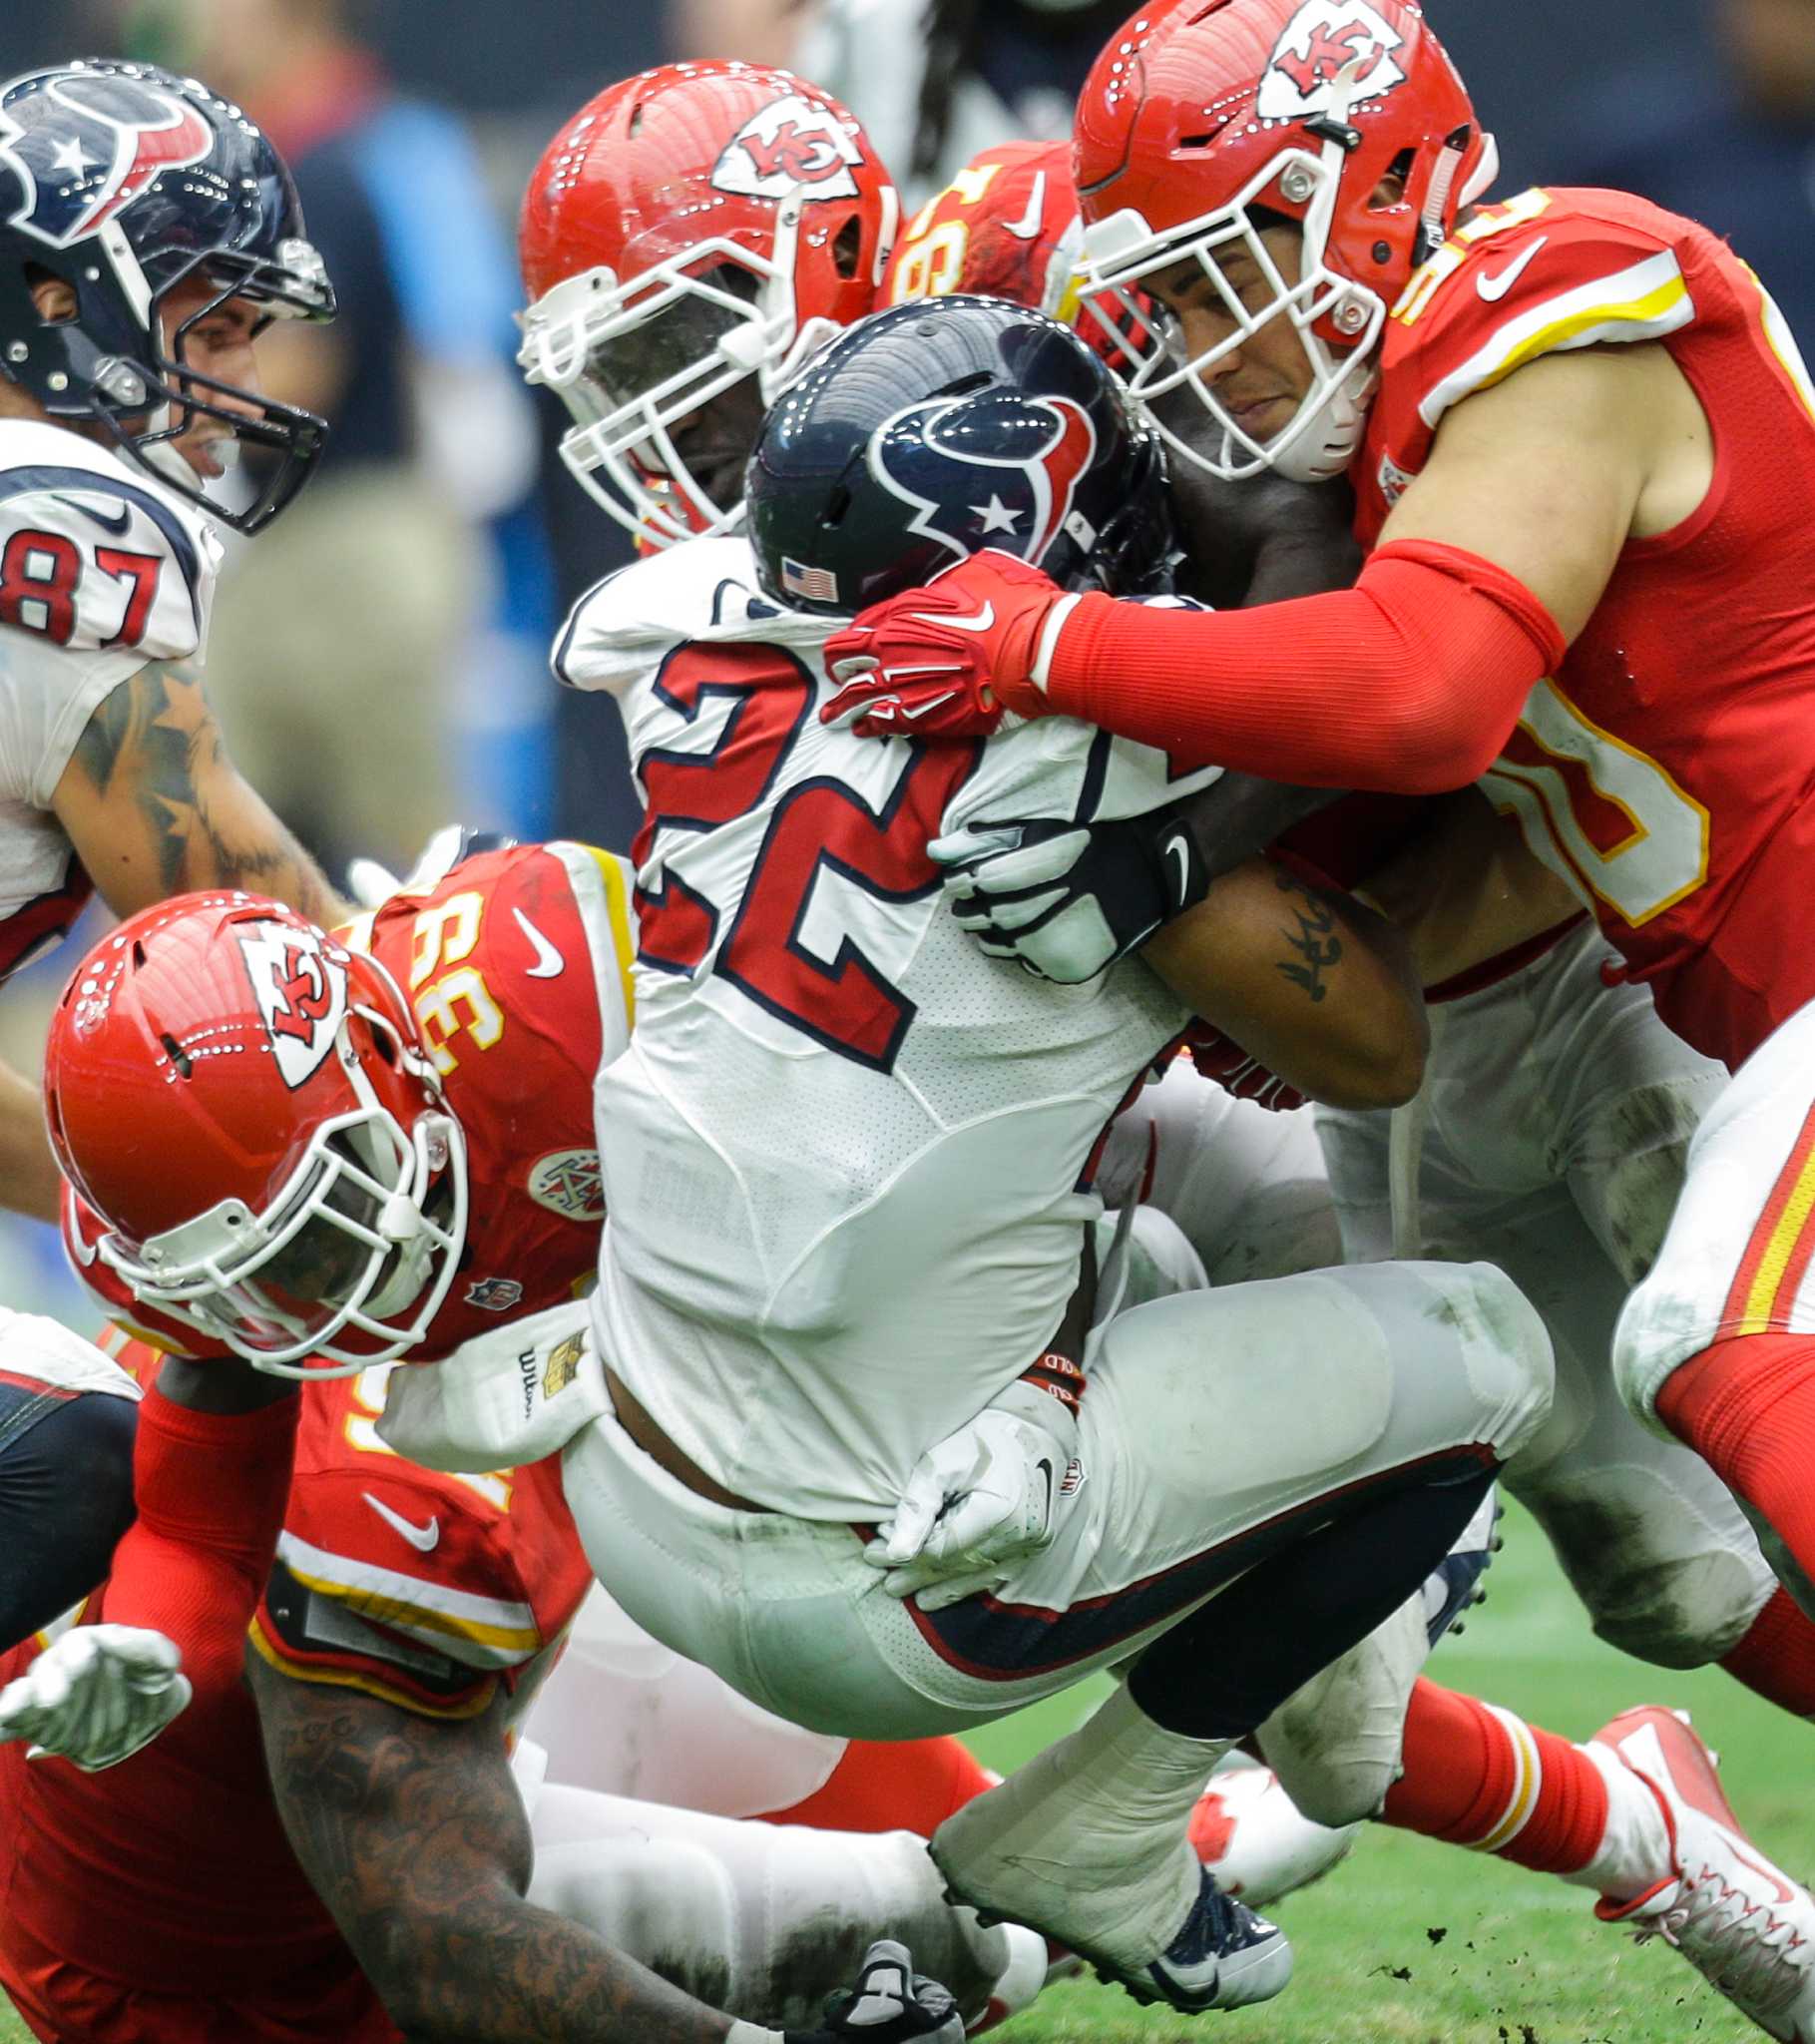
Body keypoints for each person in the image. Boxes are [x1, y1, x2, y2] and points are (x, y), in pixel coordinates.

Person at [817, 0, 1815, 1801]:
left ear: (1366, 197)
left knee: (1710, 1341)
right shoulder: (1399, 429)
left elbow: (1422, 691)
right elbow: (1478, 802)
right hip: (1752, 997)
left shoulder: (1548, 285)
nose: (1200, 345)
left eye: (1213, 281)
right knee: (1672, 1548)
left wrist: (1049, 642)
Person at [528, 287, 1554, 2016]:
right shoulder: (1087, 760)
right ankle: (1110, 1820)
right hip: (880, 1588)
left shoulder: (665, 640)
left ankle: (1317, 1659)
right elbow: (1373, 1038)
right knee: (1483, 1348)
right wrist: (1251, 533)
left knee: (1134, 1218)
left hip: (625, 1465)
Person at [0, 53, 358, 1666]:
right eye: (209, 322)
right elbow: (255, 945)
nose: (232, 371)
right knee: (74, 1453)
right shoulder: (54, 527)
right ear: (60, 300)